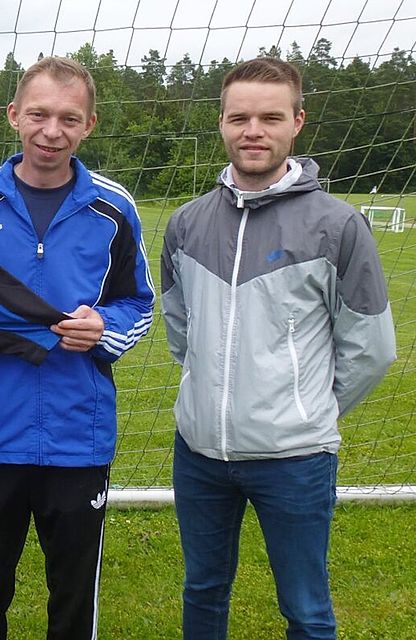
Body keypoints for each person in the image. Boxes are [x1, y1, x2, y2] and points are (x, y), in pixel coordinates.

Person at [0, 56, 155, 639]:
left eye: (69, 119)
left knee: (73, 597)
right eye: (39, 115)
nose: (52, 131)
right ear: (14, 114)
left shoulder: (113, 208)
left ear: (89, 125)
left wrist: (104, 328)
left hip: (79, 436)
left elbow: (139, 303)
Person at [160, 57, 397, 640]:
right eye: (239, 118)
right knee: (202, 591)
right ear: (221, 122)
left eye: (270, 118)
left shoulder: (338, 226)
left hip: (295, 459)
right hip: (200, 454)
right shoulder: (186, 223)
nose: (253, 131)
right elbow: (181, 328)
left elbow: (371, 348)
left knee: (306, 608)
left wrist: (303, 409)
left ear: (297, 121)